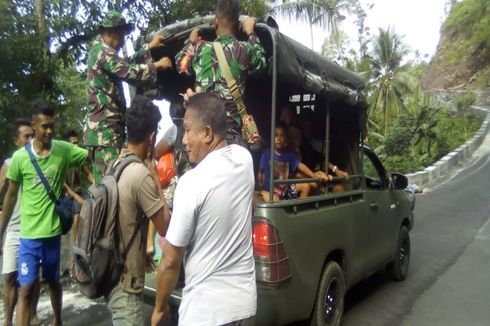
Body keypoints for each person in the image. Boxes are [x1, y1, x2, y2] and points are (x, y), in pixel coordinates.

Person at [151, 92, 256, 326]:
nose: (184, 140)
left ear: (207, 133)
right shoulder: (244, 160)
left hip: (206, 314)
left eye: (188, 130)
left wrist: (159, 309)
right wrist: (203, 104)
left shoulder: (191, 183)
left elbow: (170, 261)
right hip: (245, 308)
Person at [0, 100, 88, 326]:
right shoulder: (20, 158)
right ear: (34, 125)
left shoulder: (63, 150)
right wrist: (1, 230)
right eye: (44, 126)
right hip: (28, 236)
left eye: (52, 125)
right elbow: (9, 197)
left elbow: (89, 156)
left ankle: (58, 321)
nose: (49, 130)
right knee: (26, 288)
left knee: (54, 282)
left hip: (52, 234)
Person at [84, 10, 173, 183]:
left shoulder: (104, 53)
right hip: (104, 133)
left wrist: (148, 48)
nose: (123, 38)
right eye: (121, 33)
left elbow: (124, 63)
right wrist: (157, 66)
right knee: (109, 186)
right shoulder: (101, 52)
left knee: (114, 182)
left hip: (110, 131)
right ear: (109, 31)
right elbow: (129, 72)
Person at [105, 95, 170, 325]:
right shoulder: (140, 174)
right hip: (128, 284)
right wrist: (154, 174)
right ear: (152, 136)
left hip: (111, 275)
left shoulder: (114, 164)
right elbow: (164, 226)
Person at [175, 0, 266, 145]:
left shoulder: (200, 49)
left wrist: (190, 42)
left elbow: (181, 64)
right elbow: (261, 63)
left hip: (204, 138)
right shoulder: (245, 49)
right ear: (237, 25)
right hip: (231, 137)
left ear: (216, 22)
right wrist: (251, 33)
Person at [0, 119, 41, 326]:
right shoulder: (8, 165)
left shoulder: (40, 161)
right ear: (16, 141)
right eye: (26, 136)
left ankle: (32, 315)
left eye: (32, 135)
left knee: (32, 280)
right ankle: (7, 320)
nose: (30, 140)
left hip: (34, 228)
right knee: (9, 277)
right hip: (14, 229)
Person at [258, 122, 331, 201]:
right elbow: (260, 174)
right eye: (276, 135)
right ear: (272, 138)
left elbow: (300, 166)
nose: (279, 138)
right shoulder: (266, 153)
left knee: (306, 187)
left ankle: (299, 209)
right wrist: (261, 189)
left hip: (285, 190)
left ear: (286, 139)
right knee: (275, 199)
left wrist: (314, 176)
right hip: (270, 191)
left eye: (282, 135)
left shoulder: (289, 155)